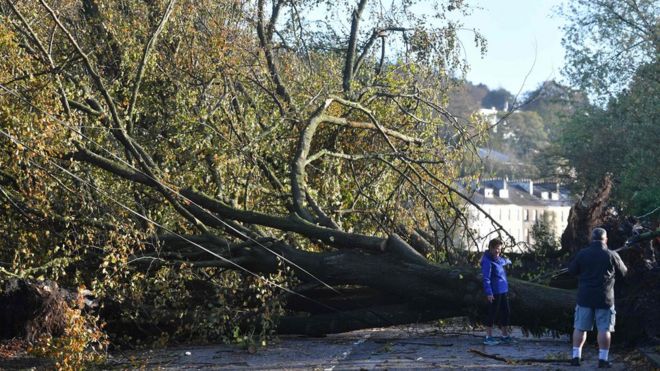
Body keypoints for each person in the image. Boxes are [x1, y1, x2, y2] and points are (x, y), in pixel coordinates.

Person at [568, 228, 628, 368]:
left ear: (591, 239)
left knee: (580, 328)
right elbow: (624, 272)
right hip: (605, 298)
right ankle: (603, 360)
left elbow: (572, 270)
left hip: (585, 297)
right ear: (605, 239)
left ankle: (576, 357)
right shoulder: (612, 255)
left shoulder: (582, 254)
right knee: (604, 329)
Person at [480, 238, 513, 345]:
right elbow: (486, 278)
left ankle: (504, 335)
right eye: (496, 249)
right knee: (492, 313)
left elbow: (503, 261)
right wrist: (489, 293)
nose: (498, 251)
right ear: (491, 248)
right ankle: (488, 337)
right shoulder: (487, 261)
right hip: (494, 292)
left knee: (506, 312)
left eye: (499, 249)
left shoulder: (498, 259)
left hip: (503, 290)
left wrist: (509, 261)